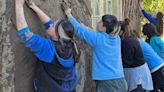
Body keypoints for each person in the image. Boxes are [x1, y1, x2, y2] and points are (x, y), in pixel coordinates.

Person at [15, 0, 80, 92]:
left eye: (53, 26)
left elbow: (25, 34)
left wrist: (18, 5)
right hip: (69, 87)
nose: (50, 25)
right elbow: (49, 24)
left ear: (57, 35)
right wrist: (34, 7)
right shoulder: (72, 45)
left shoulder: (49, 49)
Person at [62, 3, 127, 92]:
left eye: (100, 22)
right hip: (120, 80)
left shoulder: (98, 39)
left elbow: (79, 30)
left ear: (104, 28)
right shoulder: (116, 38)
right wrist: (87, 28)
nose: (98, 22)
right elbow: (99, 35)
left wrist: (68, 14)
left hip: (107, 83)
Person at [120, 19, 153, 92]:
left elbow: (128, 61)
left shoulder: (127, 42)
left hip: (137, 76)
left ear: (121, 32)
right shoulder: (131, 38)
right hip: (137, 73)